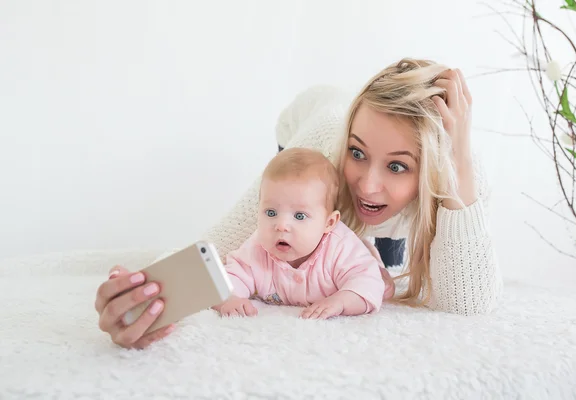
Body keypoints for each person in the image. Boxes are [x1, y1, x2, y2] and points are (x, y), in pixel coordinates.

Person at [95, 58, 502, 349]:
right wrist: (147, 296)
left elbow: (466, 304)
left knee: (384, 257)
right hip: (306, 120)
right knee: (294, 225)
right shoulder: (324, 147)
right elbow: (218, 247)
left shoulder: (460, 169)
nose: (369, 186)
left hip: (428, 165)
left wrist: (458, 163)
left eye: (398, 166)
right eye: (357, 154)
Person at [212, 147, 386, 320]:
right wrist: (229, 298)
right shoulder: (257, 247)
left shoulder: (341, 247)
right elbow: (232, 276)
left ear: (329, 223)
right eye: (271, 213)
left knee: (381, 279)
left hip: (362, 255)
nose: (281, 226)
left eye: (299, 216)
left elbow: (368, 283)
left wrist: (340, 301)